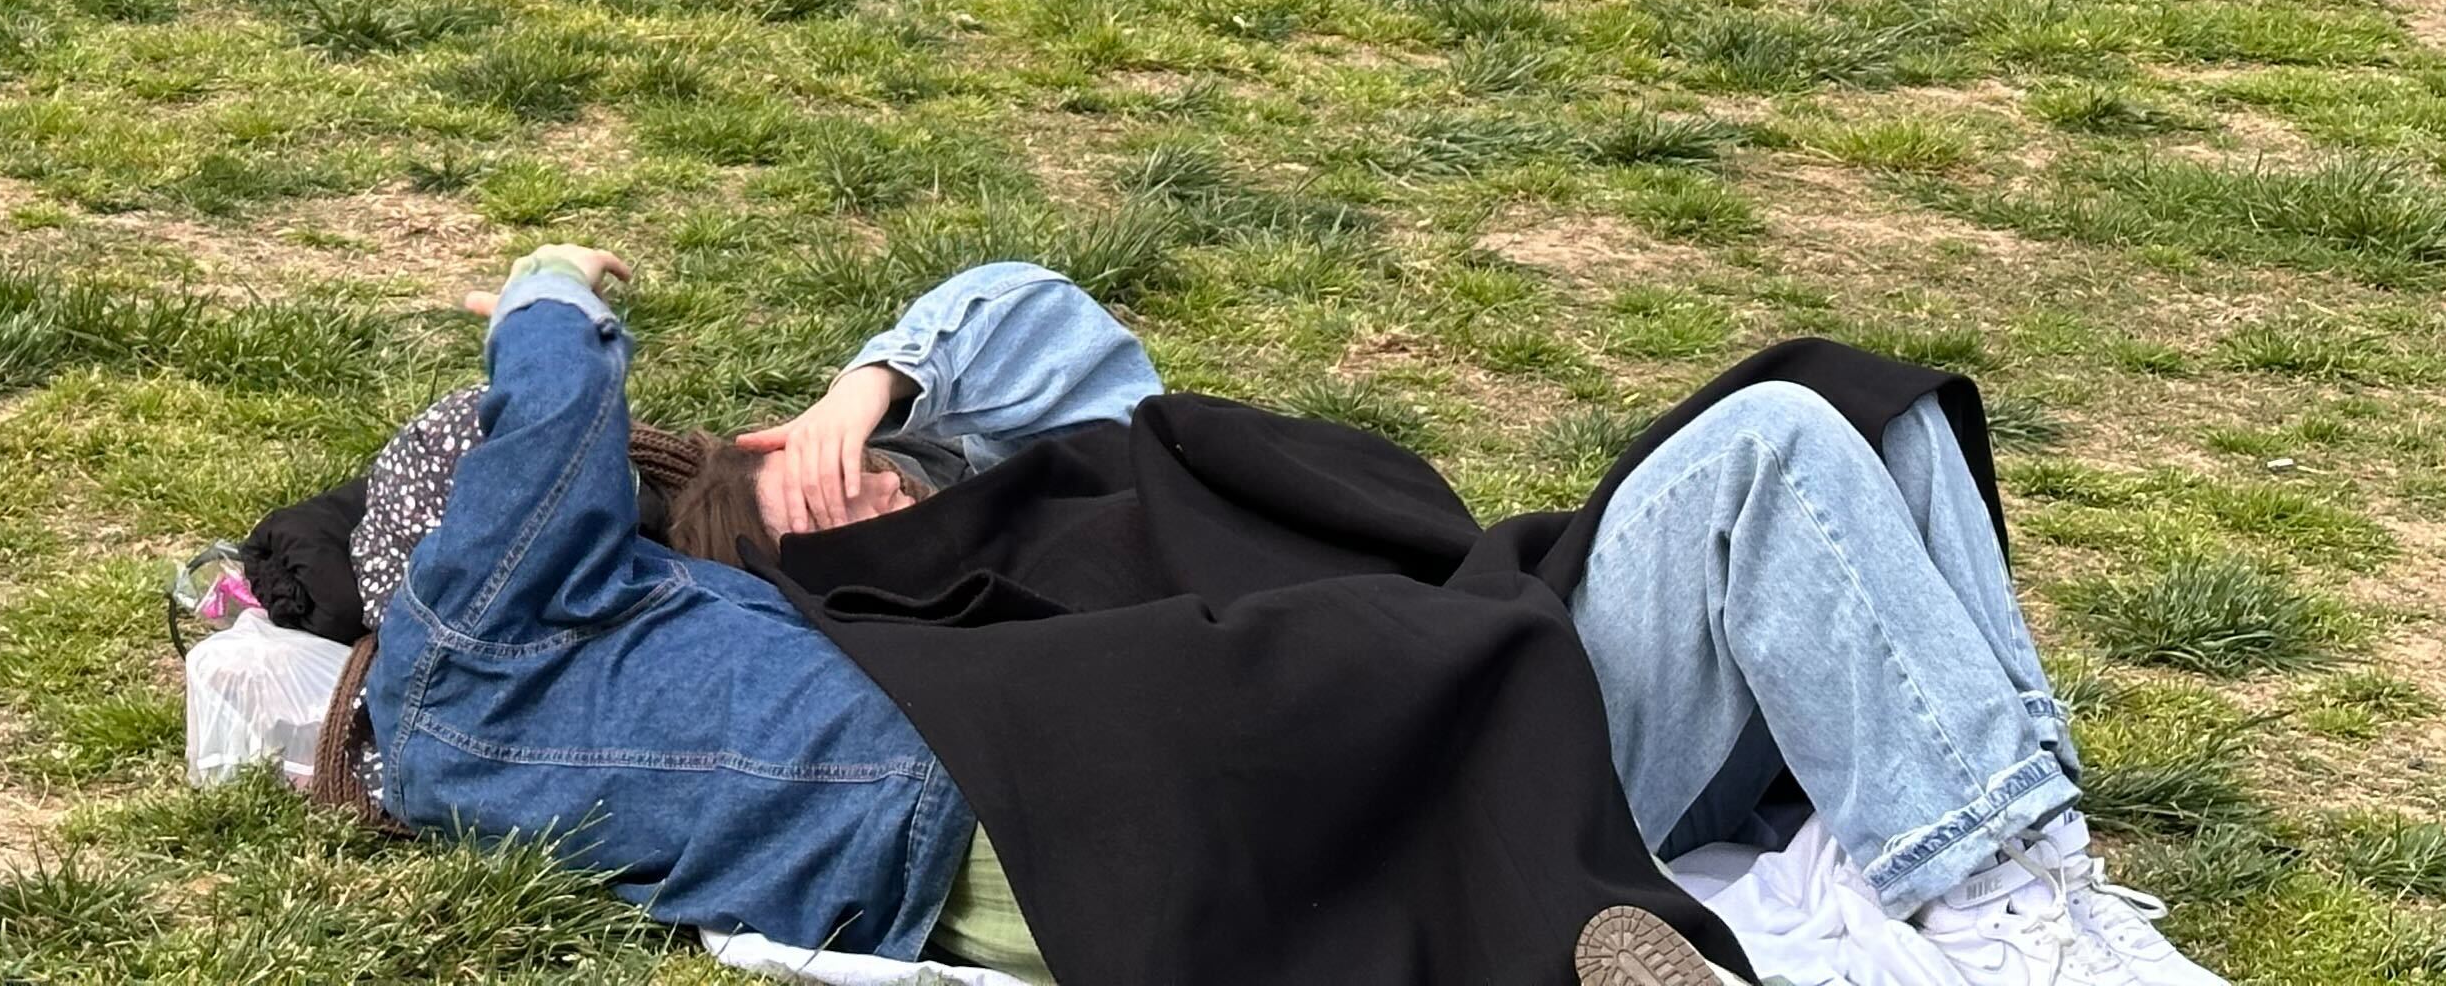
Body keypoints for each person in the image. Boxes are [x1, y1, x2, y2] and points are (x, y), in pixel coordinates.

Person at [352, 247, 2208, 986]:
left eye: (834, 467)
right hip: (1443, 725)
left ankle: (2025, 858)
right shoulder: (825, 626)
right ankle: (2000, 898)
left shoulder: (990, 458)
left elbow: (1072, 333)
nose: (865, 502)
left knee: (1850, 408)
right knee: (1777, 447)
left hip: (1494, 656)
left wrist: (876, 384)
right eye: (806, 509)